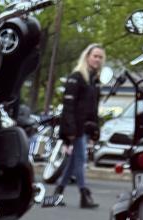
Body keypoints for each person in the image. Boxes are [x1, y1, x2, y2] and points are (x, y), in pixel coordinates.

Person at [45, 43, 105, 209]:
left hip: (86, 128)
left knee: (73, 162)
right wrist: (69, 130)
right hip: (75, 127)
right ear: (87, 57)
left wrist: (95, 130)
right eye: (95, 56)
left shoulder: (95, 81)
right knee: (81, 160)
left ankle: (57, 194)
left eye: (100, 57)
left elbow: (94, 108)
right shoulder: (76, 77)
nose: (98, 60)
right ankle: (85, 195)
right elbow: (68, 106)